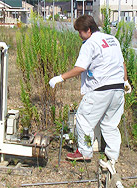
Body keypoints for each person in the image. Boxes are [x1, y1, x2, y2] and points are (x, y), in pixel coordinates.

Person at [49, 15, 132, 163]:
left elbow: (80, 67)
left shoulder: (89, 44)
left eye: (80, 32)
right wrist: (125, 81)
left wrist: (60, 77)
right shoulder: (112, 40)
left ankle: (84, 152)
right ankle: (113, 156)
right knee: (110, 124)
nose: (79, 35)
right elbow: (122, 62)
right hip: (118, 88)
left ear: (88, 30)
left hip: (100, 88)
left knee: (83, 119)